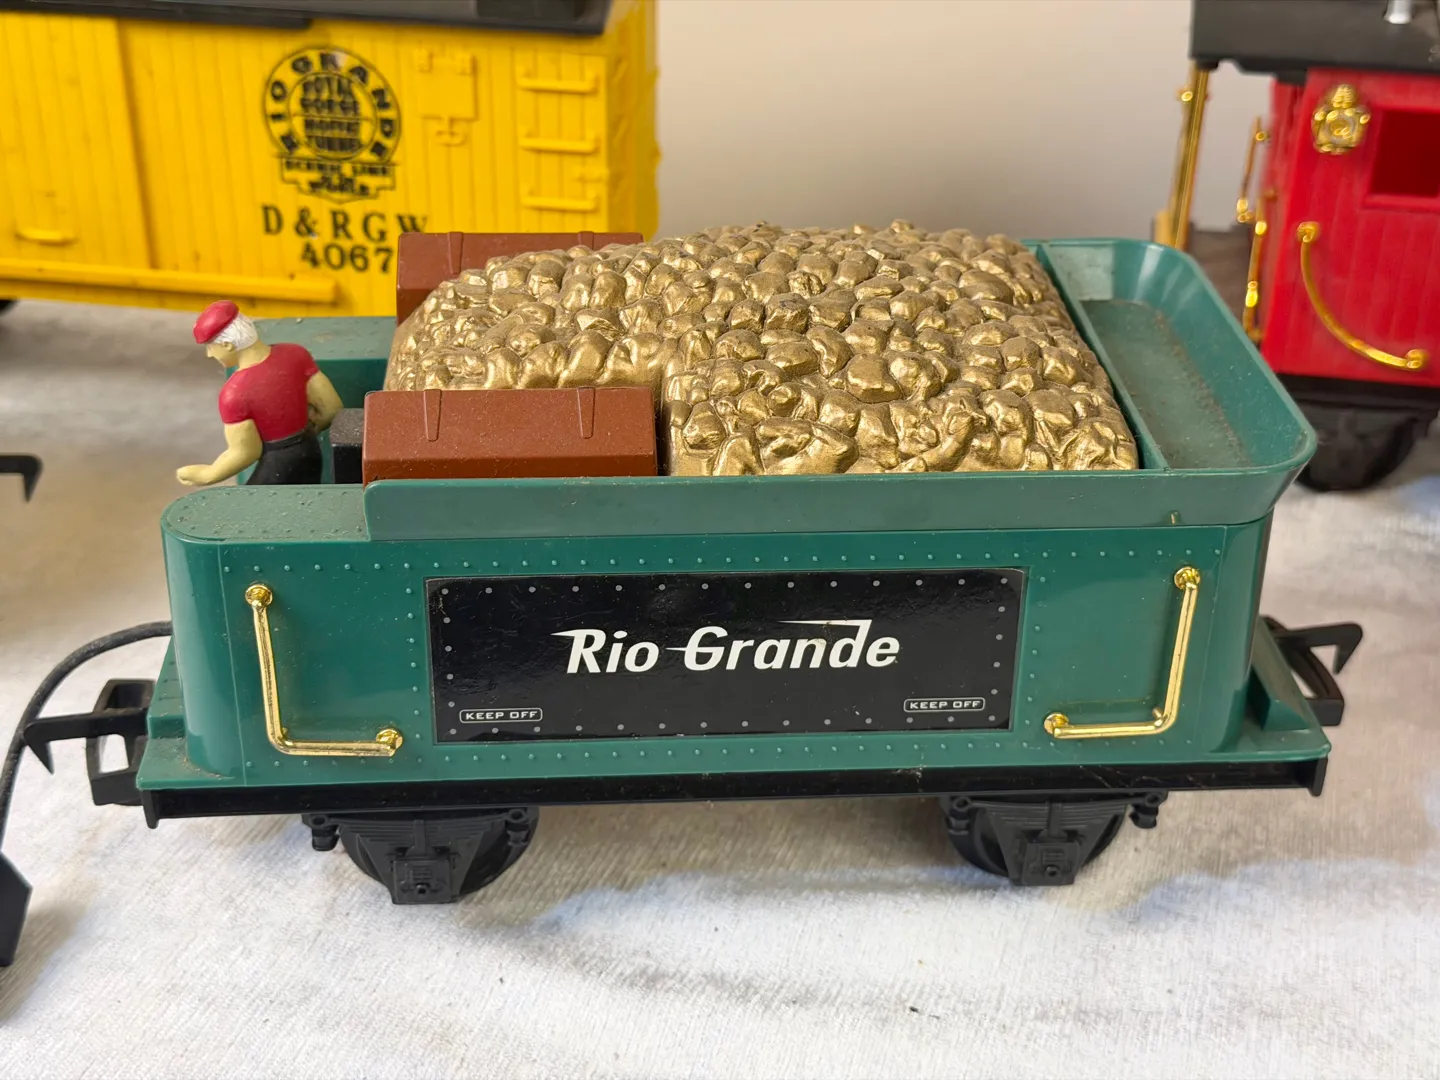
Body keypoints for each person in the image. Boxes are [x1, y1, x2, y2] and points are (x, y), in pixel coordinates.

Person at [176, 301, 343, 486]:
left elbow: (246, 452)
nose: (209, 354)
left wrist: (208, 474)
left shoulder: (234, 393)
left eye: (210, 347)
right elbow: (331, 407)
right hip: (310, 449)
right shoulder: (296, 354)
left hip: (278, 463)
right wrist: (309, 431)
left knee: (253, 500)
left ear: (227, 345)